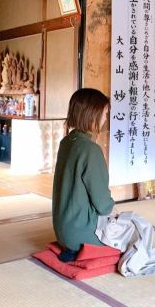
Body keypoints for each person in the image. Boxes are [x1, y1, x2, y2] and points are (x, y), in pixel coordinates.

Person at [52, 88, 115, 262]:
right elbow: (103, 205)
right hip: (83, 235)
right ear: (92, 115)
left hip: (62, 233)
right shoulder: (91, 150)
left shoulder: (66, 142)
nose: (105, 119)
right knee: (137, 228)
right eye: (104, 114)